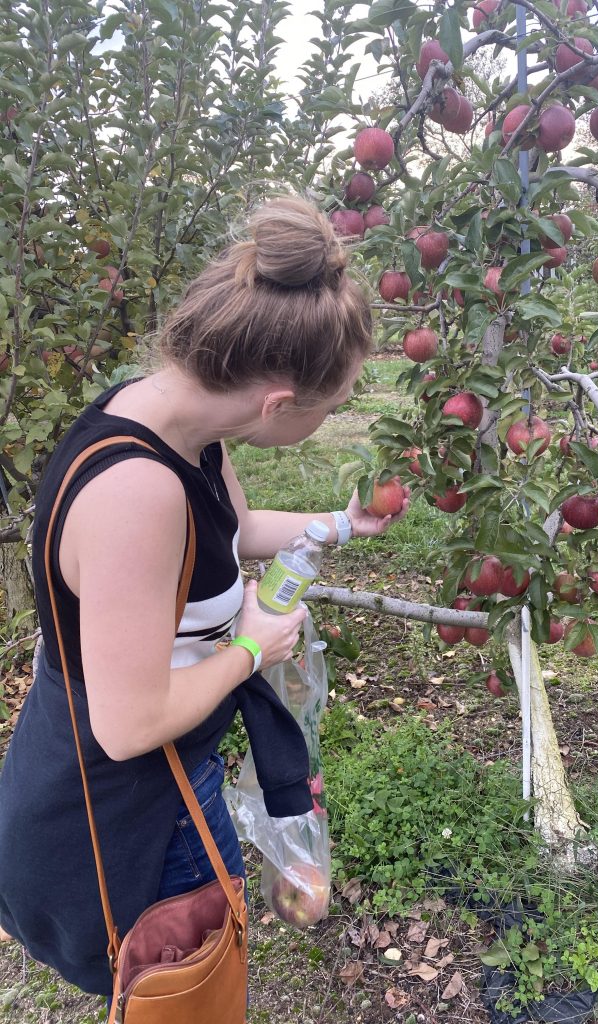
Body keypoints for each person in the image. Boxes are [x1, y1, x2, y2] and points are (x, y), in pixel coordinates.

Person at [0, 195, 409, 997]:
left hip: (169, 776)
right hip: (135, 811)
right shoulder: (138, 494)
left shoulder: (176, 426)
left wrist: (341, 523)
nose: (328, 424)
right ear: (278, 404)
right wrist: (252, 646)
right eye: (330, 410)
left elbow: (234, 528)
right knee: (188, 999)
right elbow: (129, 725)